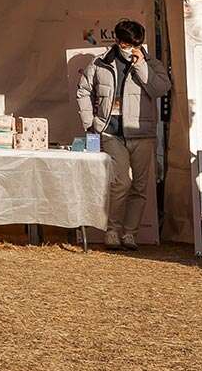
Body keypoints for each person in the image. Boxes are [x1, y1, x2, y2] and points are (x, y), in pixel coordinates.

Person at [75, 19, 173, 249]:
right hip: (111, 132)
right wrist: (90, 122)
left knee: (140, 186)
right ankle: (112, 230)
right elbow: (83, 90)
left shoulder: (151, 63)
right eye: (128, 43)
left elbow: (160, 89)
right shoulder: (100, 63)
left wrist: (141, 66)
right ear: (119, 41)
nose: (131, 48)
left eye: (136, 43)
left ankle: (130, 233)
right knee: (122, 182)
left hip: (142, 131)